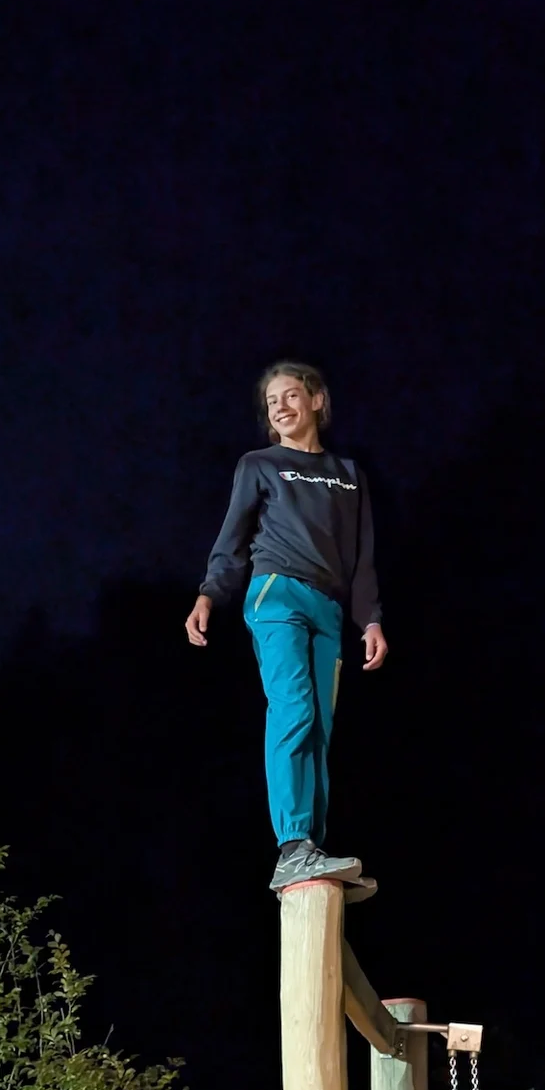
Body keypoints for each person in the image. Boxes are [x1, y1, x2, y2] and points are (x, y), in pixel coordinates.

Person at [186, 360, 387, 896]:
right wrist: (210, 593)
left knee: (320, 725)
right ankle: (292, 846)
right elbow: (233, 538)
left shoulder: (348, 474)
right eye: (272, 401)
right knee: (293, 709)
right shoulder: (259, 464)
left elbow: (363, 556)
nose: (280, 406)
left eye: (291, 395)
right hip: (277, 593)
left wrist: (371, 620)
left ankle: (312, 854)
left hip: (329, 607)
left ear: (317, 400)